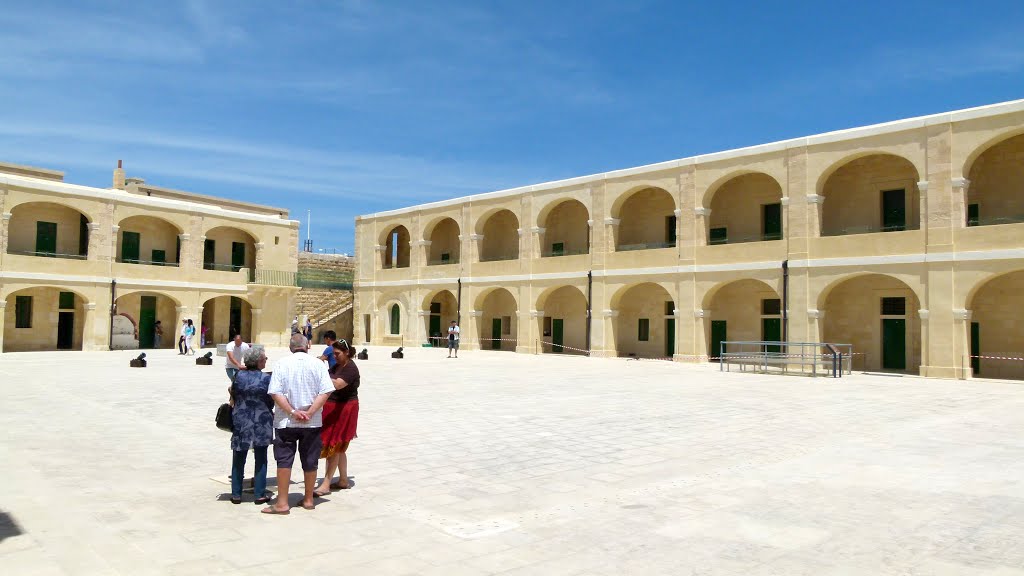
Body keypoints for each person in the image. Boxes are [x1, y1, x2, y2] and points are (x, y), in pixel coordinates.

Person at [262, 333, 333, 515]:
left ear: (290, 347)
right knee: (310, 460)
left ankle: (282, 503)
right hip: (312, 422)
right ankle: (309, 499)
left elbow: (275, 393)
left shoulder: (281, 364)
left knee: (284, 460)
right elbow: (325, 392)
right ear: (308, 346)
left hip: (286, 422)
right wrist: (309, 412)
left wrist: (293, 412)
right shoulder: (318, 364)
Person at [228, 348, 274, 505]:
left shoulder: (238, 376)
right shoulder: (265, 378)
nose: (266, 360)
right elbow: (271, 400)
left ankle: (236, 494)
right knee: (261, 457)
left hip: (241, 419)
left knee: (238, 457)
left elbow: (233, 394)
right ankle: (259, 494)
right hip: (262, 420)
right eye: (264, 358)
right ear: (258, 361)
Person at [314, 339, 360, 496]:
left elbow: (337, 384)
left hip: (344, 408)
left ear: (347, 352)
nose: (334, 356)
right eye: (333, 353)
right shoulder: (337, 366)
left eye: (337, 353)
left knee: (333, 444)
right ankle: (343, 480)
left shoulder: (351, 369)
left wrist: (318, 374)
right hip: (333, 407)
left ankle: (326, 484)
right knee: (339, 446)